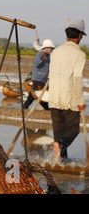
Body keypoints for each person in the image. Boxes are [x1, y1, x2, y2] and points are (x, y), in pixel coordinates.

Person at [48, 19, 86, 162]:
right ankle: (60, 145)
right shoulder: (79, 54)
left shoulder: (56, 51)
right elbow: (77, 78)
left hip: (54, 96)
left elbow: (52, 73)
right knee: (73, 130)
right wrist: (80, 100)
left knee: (58, 130)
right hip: (69, 97)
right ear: (80, 36)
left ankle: (60, 158)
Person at [23, 39, 55, 110]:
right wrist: (42, 56)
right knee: (35, 94)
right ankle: (25, 106)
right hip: (37, 78)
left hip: (44, 79)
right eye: (50, 48)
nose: (51, 50)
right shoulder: (39, 54)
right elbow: (37, 64)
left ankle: (25, 106)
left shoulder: (49, 56)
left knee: (41, 94)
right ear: (45, 48)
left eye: (52, 48)